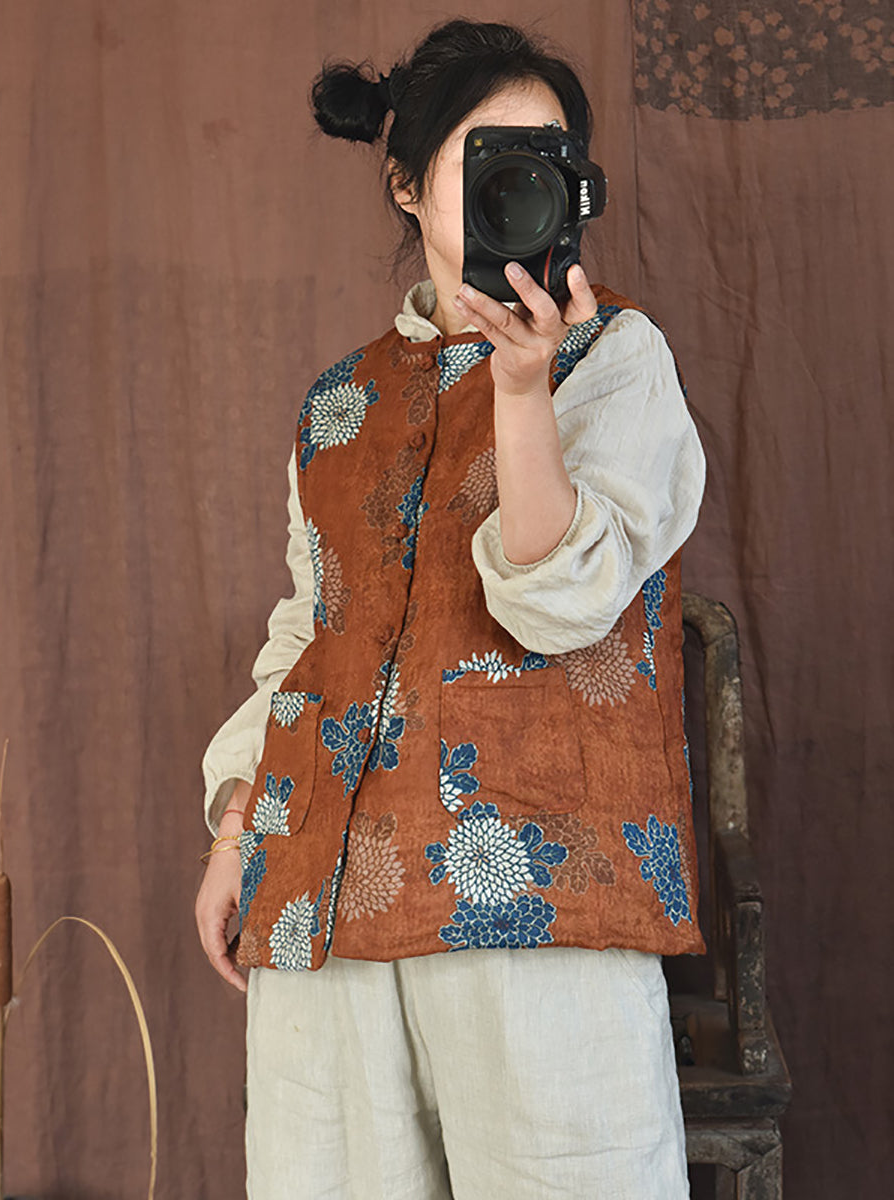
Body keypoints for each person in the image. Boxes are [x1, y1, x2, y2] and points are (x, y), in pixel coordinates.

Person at [195, 18, 706, 1200]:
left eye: (544, 157)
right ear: (407, 184)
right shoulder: (338, 403)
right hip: (325, 897)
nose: (515, 182)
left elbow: (562, 601)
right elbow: (310, 632)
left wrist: (522, 389)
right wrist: (235, 830)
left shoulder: (615, 357)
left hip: (535, 898)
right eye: (486, 157)